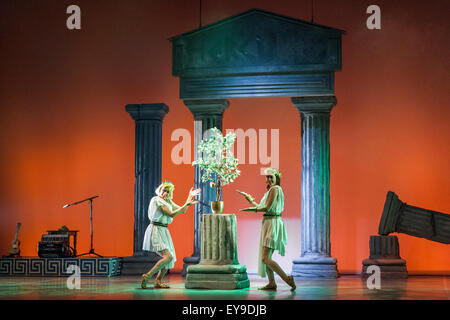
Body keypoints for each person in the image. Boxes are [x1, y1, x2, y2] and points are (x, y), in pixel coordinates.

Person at [236, 168, 296, 291]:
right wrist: (250, 200)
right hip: (269, 222)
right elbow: (261, 207)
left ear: (276, 178)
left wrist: (248, 209)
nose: (268, 179)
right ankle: (272, 283)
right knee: (266, 257)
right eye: (267, 177)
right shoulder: (271, 191)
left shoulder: (275, 189)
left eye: (271, 177)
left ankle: (287, 279)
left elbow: (266, 207)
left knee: (265, 258)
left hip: (273, 223)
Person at [141, 181, 200, 289]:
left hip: (163, 230)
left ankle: (158, 281)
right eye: (164, 190)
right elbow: (170, 213)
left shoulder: (168, 201)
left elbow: (183, 210)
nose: (166, 193)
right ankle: (147, 275)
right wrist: (186, 204)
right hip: (156, 229)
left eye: (168, 191)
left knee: (169, 259)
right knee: (168, 256)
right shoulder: (156, 200)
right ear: (160, 190)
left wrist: (189, 197)